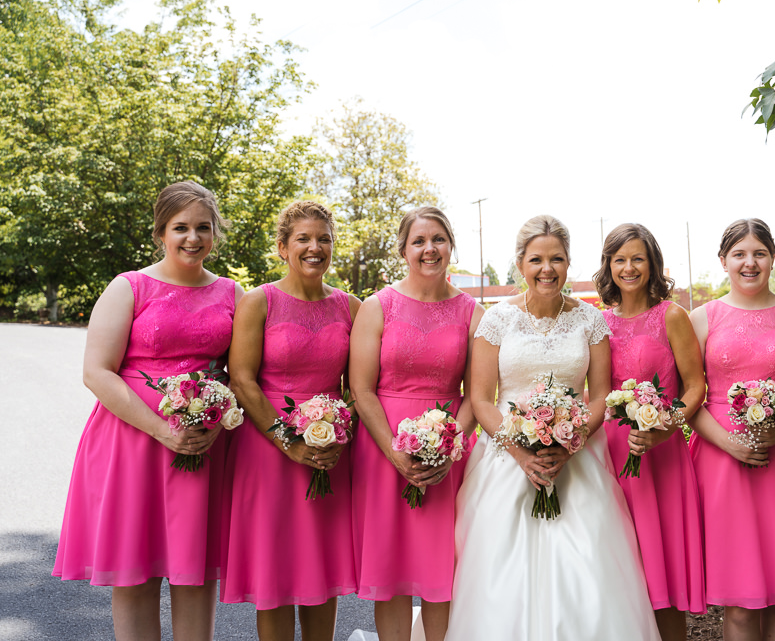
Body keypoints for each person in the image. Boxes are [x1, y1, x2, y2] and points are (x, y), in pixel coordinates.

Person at [444, 215, 660, 640]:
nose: (548, 269)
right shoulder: (496, 320)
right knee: (499, 567)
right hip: (506, 456)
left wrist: (569, 443)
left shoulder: (589, 321)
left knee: (589, 560)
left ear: (568, 263)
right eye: (537, 259)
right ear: (520, 264)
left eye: (557, 259)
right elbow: (482, 398)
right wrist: (521, 452)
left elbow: (598, 396)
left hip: (577, 456)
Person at [53, 181, 243, 641]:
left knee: (196, 574)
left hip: (203, 446)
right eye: (181, 227)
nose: (192, 238)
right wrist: (162, 429)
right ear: (161, 232)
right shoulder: (129, 287)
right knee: (135, 574)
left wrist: (217, 420)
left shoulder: (233, 294)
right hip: (132, 442)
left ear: (215, 232)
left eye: (203, 227)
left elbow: (241, 372)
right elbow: (97, 372)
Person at [688, 218, 775, 641]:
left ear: (772, 259)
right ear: (723, 261)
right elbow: (689, 398)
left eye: (759, 253)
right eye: (739, 254)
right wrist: (729, 442)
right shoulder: (701, 318)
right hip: (720, 460)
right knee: (740, 601)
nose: (750, 263)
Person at [224, 200, 360, 641]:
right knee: (276, 577)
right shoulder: (258, 301)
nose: (314, 247)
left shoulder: (351, 308)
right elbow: (243, 382)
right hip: (268, 449)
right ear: (283, 247)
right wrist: (290, 442)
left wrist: (342, 430)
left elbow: (357, 387)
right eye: (303, 238)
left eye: (324, 239)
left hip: (327, 451)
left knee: (321, 572)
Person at [349, 207, 483, 641]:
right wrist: (393, 449)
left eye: (439, 239)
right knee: (391, 573)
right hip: (384, 448)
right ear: (403, 250)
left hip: (448, 453)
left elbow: (477, 394)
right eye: (419, 241)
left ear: (451, 247)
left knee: (442, 569)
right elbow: (361, 389)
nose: (430, 249)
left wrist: (452, 445)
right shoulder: (378, 306)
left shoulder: (472, 312)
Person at [596, 223, 706, 640]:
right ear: (609, 265)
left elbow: (696, 386)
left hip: (660, 454)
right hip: (609, 454)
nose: (628, 267)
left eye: (637, 258)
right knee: (620, 574)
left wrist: (666, 426)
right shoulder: (599, 323)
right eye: (619, 259)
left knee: (663, 578)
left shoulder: (672, 316)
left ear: (652, 263)